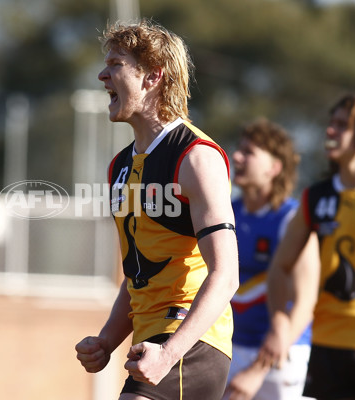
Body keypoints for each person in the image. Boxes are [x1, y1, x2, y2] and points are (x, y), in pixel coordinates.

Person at [74, 19, 239, 400]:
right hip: (151, 342)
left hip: (191, 340)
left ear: (152, 77)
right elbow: (139, 274)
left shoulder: (195, 158)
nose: (102, 75)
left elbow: (226, 275)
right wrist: (107, 340)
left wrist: (168, 353)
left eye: (115, 64)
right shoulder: (119, 167)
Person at [261, 92, 355, 400]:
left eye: (341, 125)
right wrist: (280, 320)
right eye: (330, 123)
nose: (330, 131)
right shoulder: (316, 197)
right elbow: (279, 267)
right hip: (325, 346)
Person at [222, 119, 319, 400]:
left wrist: (258, 371)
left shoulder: (292, 219)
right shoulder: (226, 212)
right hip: (230, 347)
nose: (237, 157)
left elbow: (305, 302)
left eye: (249, 152)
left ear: (274, 168)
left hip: (283, 356)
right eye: (238, 150)